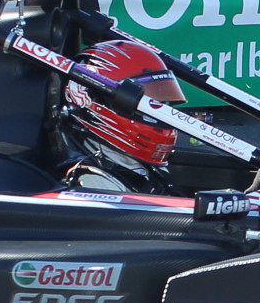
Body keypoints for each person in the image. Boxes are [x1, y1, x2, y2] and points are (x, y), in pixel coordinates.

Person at [50, 39, 185, 193]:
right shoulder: (93, 182)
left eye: (162, 103)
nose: (160, 113)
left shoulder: (144, 167)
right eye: (145, 105)